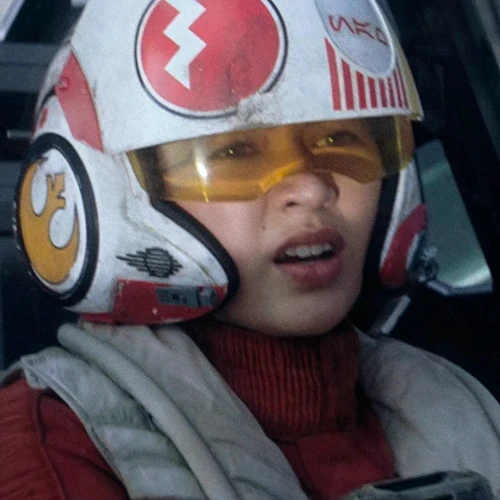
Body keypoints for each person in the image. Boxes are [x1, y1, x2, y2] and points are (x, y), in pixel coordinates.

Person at [1, 0, 500, 498]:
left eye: (338, 139)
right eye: (234, 151)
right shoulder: (51, 444)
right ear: (109, 192)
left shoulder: (463, 403)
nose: (312, 190)